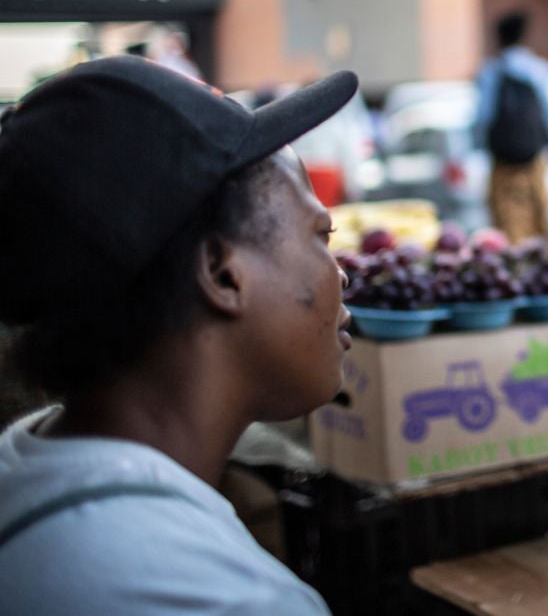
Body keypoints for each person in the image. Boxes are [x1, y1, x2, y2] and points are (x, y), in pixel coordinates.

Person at [0, 55, 357, 614]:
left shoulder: (27, 465)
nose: (340, 275)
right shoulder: (219, 599)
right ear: (221, 272)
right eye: (321, 234)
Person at [472, 10, 548, 243]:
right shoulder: (539, 69)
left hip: (503, 163)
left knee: (508, 225)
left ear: (499, 38)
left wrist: (479, 151)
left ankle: (515, 274)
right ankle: (543, 274)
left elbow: (483, 118)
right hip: (534, 159)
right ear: (524, 37)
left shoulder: (490, 71)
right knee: (540, 221)